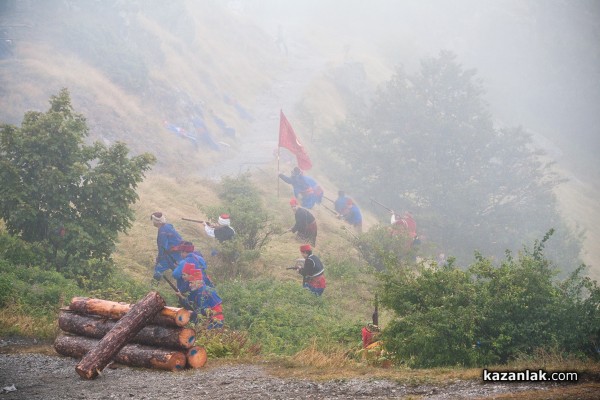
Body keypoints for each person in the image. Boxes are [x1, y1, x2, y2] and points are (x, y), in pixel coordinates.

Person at [151, 211, 183, 281]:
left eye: (152, 221)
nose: (152, 222)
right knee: (180, 273)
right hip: (178, 253)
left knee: (158, 270)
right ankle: (183, 289)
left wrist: (159, 259)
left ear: (156, 221)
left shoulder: (162, 231)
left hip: (170, 255)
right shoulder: (168, 226)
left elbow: (162, 247)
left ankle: (153, 289)